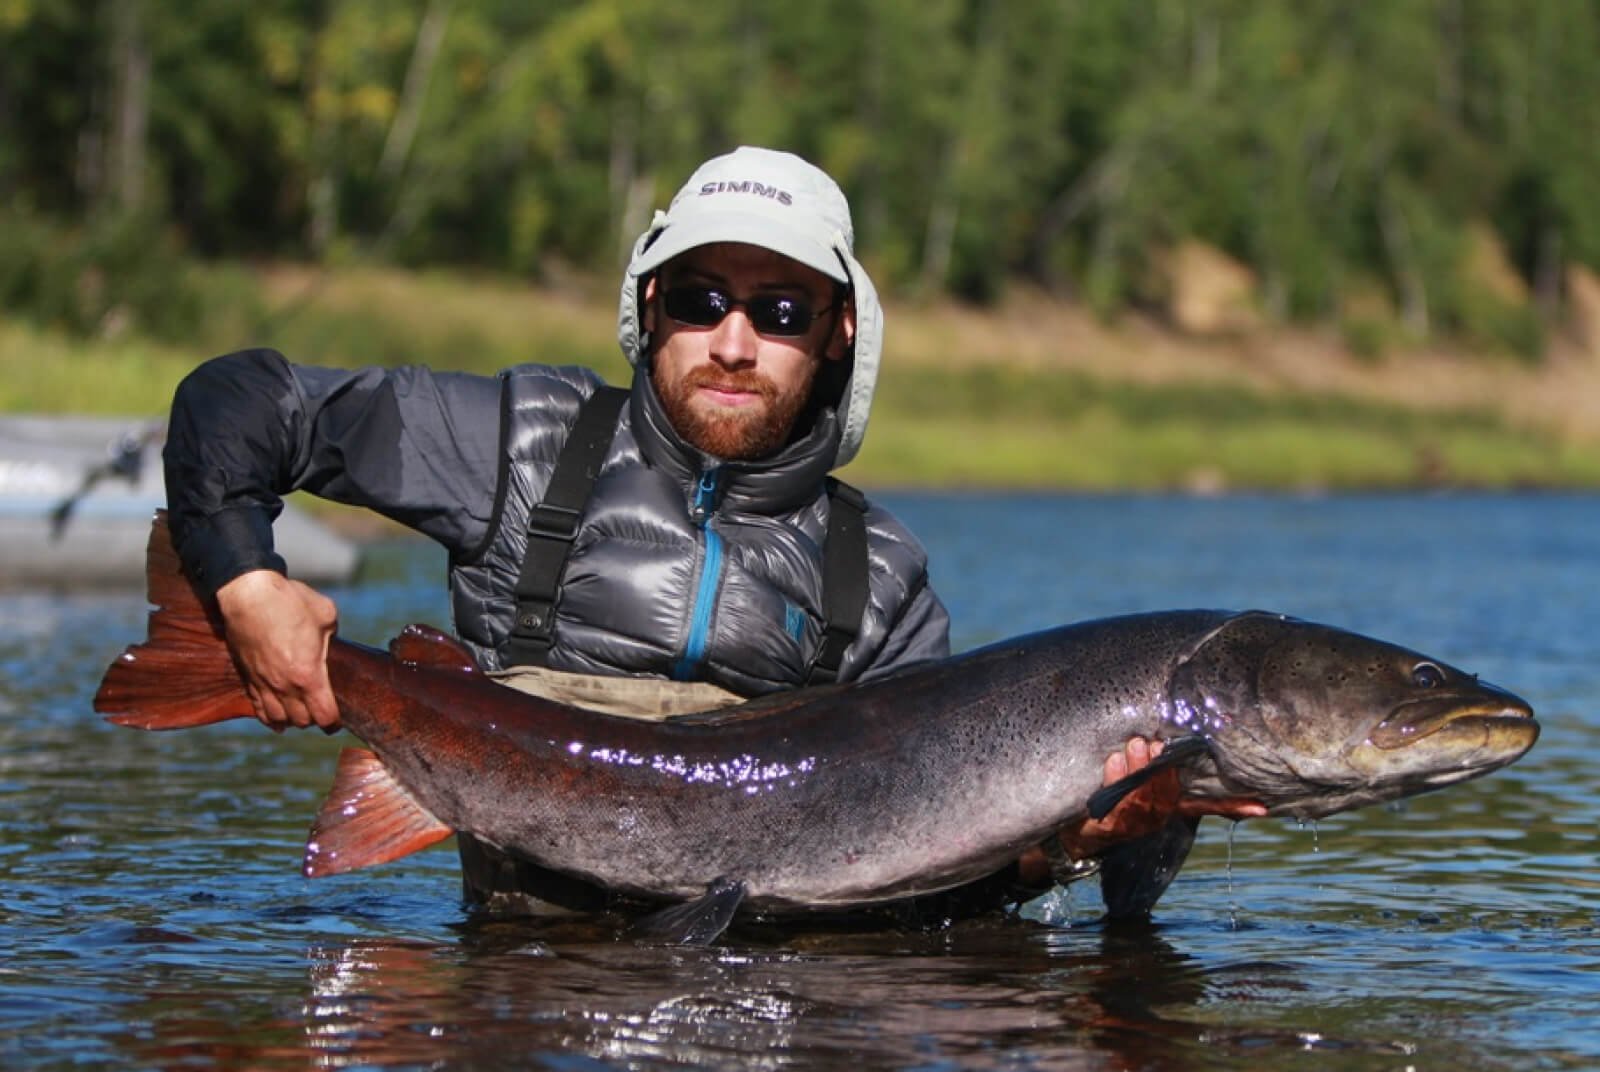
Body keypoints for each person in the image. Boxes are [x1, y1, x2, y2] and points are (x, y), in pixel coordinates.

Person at [163, 145, 1259, 919]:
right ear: (649, 307)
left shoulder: (879, 579)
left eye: (780, 311)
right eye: (699, 299)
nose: (733, 343)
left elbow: (925, 883)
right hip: (515, 1026)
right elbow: (239, 402)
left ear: (837, 334)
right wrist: (245, 583)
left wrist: (1067, 845)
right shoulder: (519, 443)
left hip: (765, 1037)